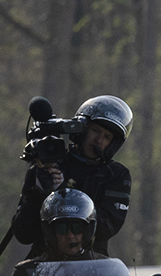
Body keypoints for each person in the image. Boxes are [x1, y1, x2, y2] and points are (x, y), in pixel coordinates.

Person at [11, 95, 133, 259]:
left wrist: (62, 194)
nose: (99, 140)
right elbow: (23, 234)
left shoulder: (117, 175)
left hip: (93, 267)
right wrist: (39, 193)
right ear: (82, 129)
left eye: (107, 137)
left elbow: (108, 227)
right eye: (95, 130)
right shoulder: (47, 164)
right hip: (43, 267)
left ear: (113, 144)